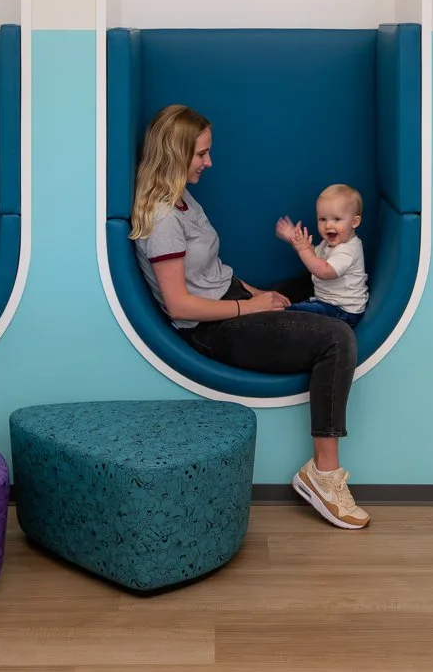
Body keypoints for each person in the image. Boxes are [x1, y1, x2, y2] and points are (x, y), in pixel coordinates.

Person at [130, 104, 370, 529]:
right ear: (175, 153)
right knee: (336, 338)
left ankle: (324, 472)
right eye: (201, 154)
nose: (209, 162)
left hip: (232, 299)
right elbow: (179, 305)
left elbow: (209, 272)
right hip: (212, 328)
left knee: (314, 281)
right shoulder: (164, 218)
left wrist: (255, 292)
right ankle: (324, 474)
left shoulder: (182, 198)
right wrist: (251, 306)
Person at [274, 184, 367, 326]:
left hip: (343, 311)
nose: (328, 225)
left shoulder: (349, 250)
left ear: (355, 222)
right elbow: (314, 255)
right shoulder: (329, 243)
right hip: (326, 302)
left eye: (336, 219)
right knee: (295, 299)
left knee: (292, 313)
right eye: (322, 219)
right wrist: (296, 240)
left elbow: (324, 271)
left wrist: (303, 249)